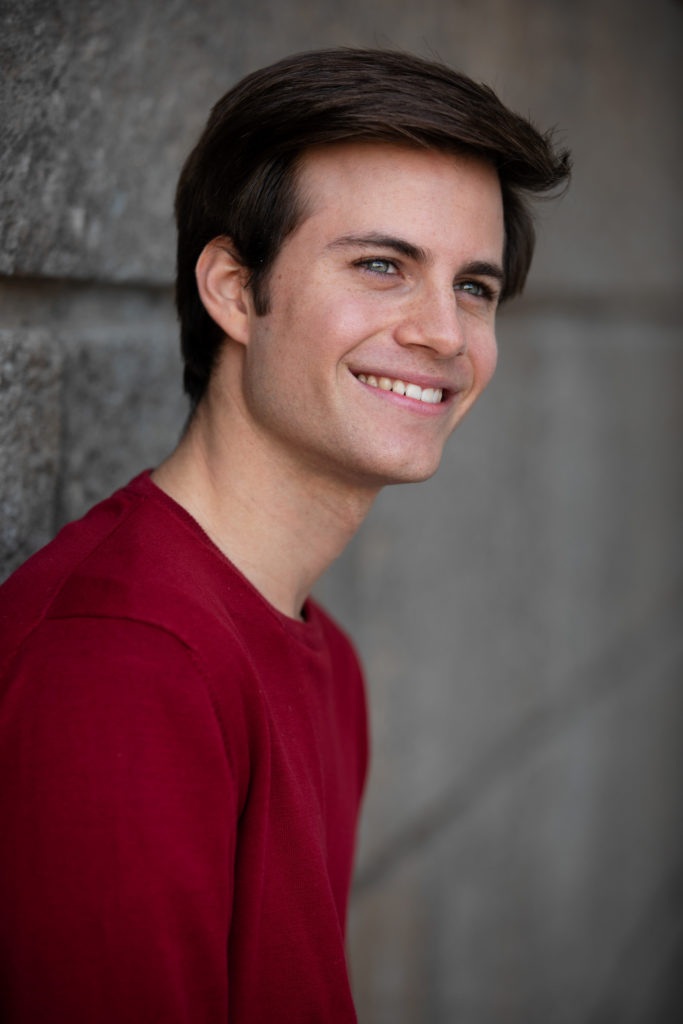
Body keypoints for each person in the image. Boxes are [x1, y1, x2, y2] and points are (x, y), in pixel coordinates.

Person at [0, 48, 570, 1023]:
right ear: (233, 289)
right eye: (382, 266)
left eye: (473, 286)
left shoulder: (322, 658)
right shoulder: (121, 666)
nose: (444, 333)